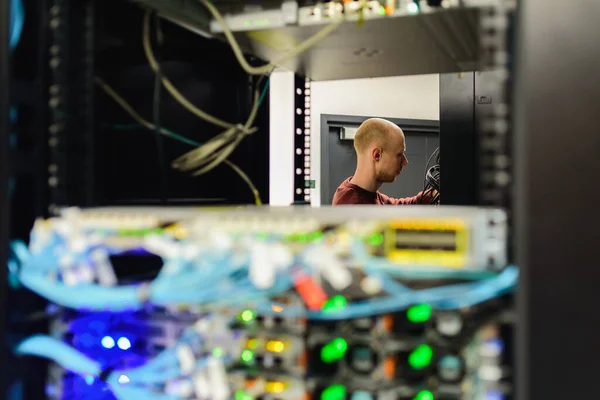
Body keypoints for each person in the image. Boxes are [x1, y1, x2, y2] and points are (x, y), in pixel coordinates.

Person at [332, 118, 436, 205]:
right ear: (377, 155)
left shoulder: (367, 195)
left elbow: (399, 207)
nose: (405, 162)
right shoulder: (351, 204)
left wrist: (432, 194)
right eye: (399, 154)